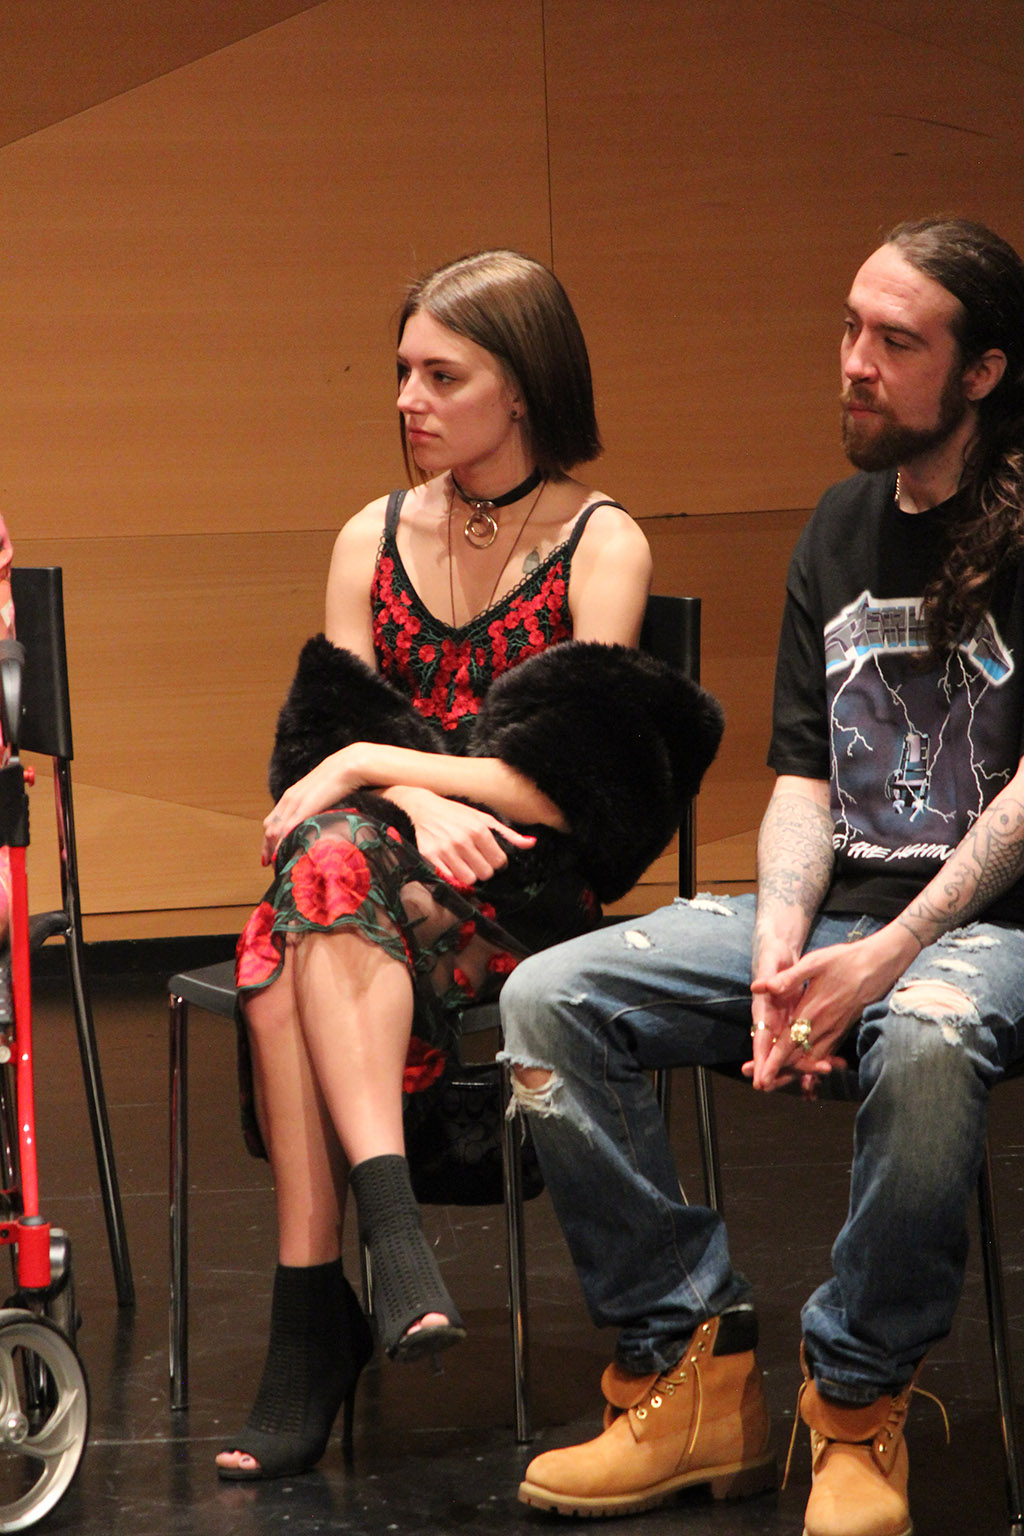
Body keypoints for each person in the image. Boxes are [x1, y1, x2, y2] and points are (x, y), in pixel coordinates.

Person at [499, 216, 1024, 1536]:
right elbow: (803, 774)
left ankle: (853, 1407)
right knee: (548, 999)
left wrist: (884, 959)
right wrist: (782, 952)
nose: (853, 362)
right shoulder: (839, 527)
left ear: (982, 372)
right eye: (849, 328)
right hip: (842, 911)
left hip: (992, 930)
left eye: (895, 341)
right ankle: (688, 1374)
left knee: (927, 1032)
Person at [215, 249, 723, 1480]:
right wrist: (397, 791)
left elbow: (563, 786)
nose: (409, 399)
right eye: (402, 371)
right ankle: (383, 1254)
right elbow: (322, 764)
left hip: (527, 894)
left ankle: (319, 1307)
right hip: (379, 867)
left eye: (442, 375)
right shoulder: (369, 536)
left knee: (296, 911)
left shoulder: (602, 542)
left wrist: (370, 768)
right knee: (319, 883)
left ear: (524, 387)